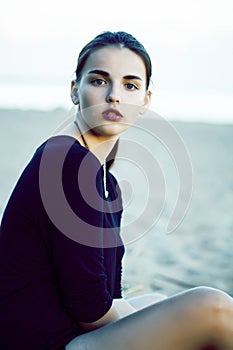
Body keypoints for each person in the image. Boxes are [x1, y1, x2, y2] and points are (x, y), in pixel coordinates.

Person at [0, 31, 232, 350]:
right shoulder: (65, 163)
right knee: (212, 307)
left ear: (146, 100)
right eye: (99, 81)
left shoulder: (105, 181)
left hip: (73, 334)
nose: (114, 96)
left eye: (130, 85)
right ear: (74, 90)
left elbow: (110, 293)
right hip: (48, 343)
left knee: (161, 300)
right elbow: (92, 311)